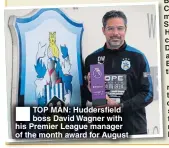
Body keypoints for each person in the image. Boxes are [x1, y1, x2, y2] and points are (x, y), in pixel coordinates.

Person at [82, 10, 153, 135]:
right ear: (103, 30)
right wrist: (89, 90)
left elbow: (148, 94)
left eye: (120, 28)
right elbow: (87, 96)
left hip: (133, 130)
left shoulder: (138, 57)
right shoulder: (92, 59)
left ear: (125, 29)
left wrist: (120, 106)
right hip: (103, 131)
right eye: (110, 28)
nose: (115, 33)